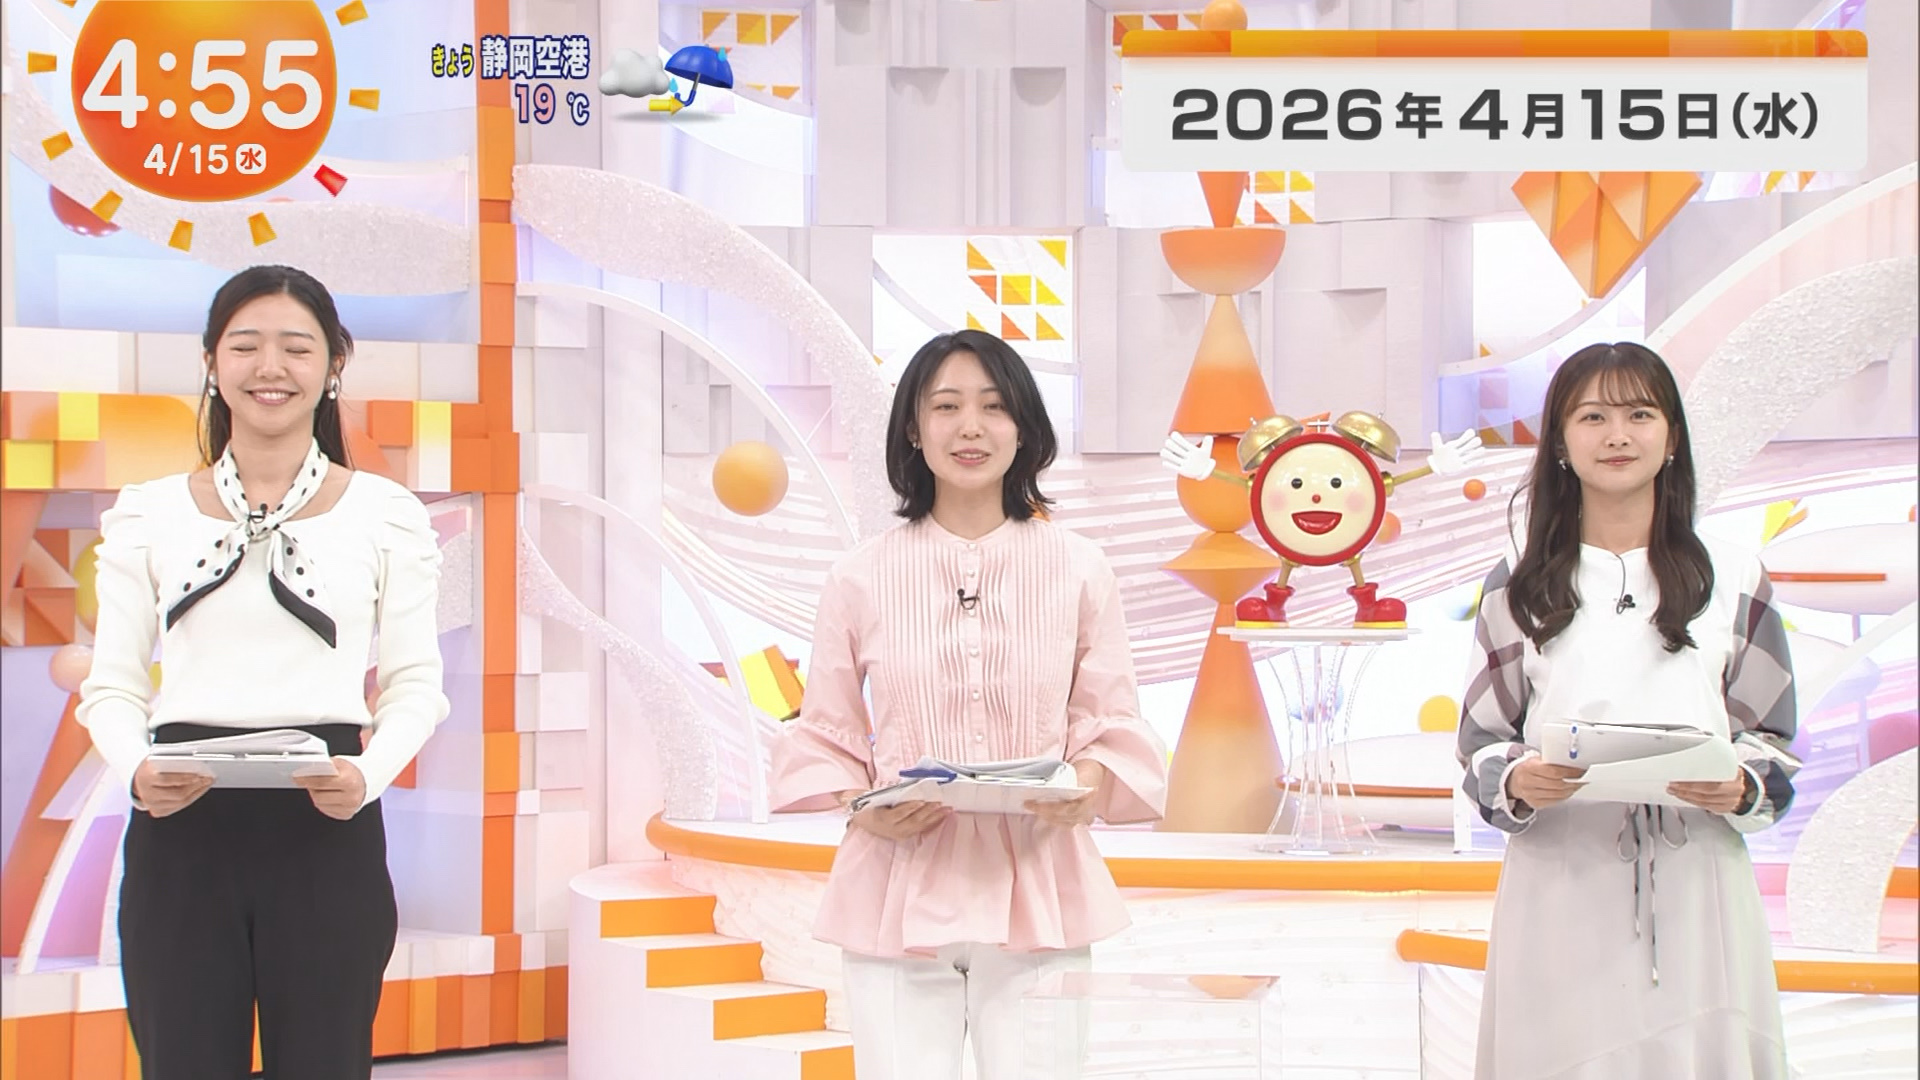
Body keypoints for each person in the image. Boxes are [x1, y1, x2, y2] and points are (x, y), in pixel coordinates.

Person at [77, 265, 450, 1080]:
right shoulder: (147, 511)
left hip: (327, 822)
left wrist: (367, 777)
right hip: (180, 825)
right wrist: (137, 770)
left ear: (333, 365)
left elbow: (417, 685)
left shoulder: (386, 513)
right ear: (212, 362)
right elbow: (112, 686)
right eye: (245, 345)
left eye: (296, 347)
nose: (269, 368)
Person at [769, 329, 1169, 1080]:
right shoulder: (859, 575)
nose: (971, 427)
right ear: (914, 431)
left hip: (1040, 882)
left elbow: (1109, 717)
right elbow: (827, 729)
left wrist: (1086, 785)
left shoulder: (1080, 567)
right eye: (946, 406)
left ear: (1024, 427)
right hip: (896, 883)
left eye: (993, 406)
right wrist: (860, 805)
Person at [1456, 342, 1798, 1078]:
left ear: (1671, 437)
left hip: (1698, 877)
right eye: (1593, 417)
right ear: (1560, 442)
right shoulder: (1517, 581)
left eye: (1640, 415)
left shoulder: (1733, 573)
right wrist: (1517, 780)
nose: (1617, 435)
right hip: (1561, 877)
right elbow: (1482, 740)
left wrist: (1742, 785)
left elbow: (1771, 737)